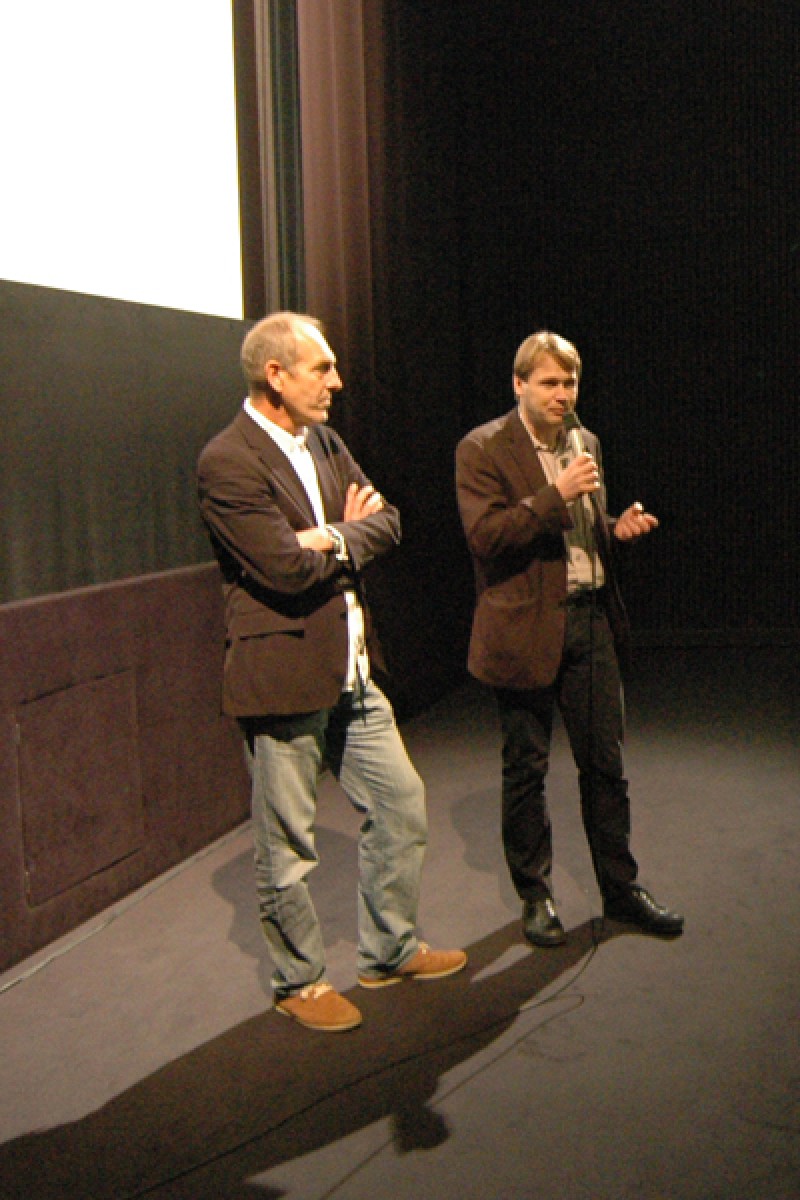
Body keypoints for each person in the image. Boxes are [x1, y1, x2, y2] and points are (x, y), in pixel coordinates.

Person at [197, 312, 466, 1033]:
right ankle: (299, 981)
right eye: (323, 368)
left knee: (402, 804)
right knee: (287, 844)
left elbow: (390, 521)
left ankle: (387, 951)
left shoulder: (326, 441)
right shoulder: (227, 459)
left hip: (351, 670)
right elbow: (283, 570)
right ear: (275, 375)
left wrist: (330, 536)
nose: (338, 382)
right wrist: (337, 539)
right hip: (281, 674)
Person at [455, 330, 683, 947]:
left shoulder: (586, 441)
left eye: (571, 382)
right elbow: (488, 537)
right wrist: (553, 495)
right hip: (525, 629)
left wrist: (615, 527)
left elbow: (582, 527)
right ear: (519, 384)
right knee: (526, 769)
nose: (563, 394)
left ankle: (620, 890)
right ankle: (535, 896)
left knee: (606, 765)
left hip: (590, 622)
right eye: (550, 383)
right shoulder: (482, 448)